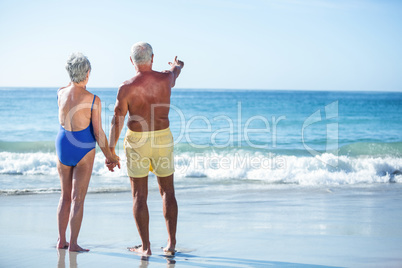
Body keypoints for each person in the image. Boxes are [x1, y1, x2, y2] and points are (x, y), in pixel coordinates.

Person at [106, 42, 184, 256]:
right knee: (168, 191)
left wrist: (110, 152)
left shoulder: (126, 87)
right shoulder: (166, 79)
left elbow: (117, 120)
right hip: (162, 139)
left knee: (139, 195)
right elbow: (175, 71)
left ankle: (146, 247)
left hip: (137, 141)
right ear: (152, 58)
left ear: (132, 61)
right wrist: (178, 65)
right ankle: (171, 244)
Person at [55, 52, 120, 252]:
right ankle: (73, 244)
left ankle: (61, 240)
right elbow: (98, 132)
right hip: (83, 148)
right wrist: (111, 157)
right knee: (78, 198)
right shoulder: (93, 99)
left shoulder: (60, 92)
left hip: (63, 144)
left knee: (65, 196)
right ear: (88, 73)